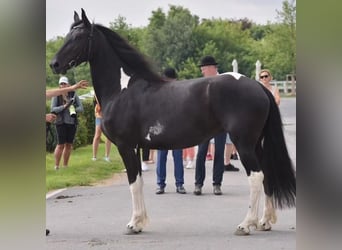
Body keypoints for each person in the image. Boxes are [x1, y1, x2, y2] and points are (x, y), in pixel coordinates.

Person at [45, 79, 88, 236]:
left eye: (65, 84)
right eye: (62, 85)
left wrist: (74, 89)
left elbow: (48, 93)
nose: (63, 87)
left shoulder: (71, 94)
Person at [194, 56, 238, 196]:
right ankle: (198, 183)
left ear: (211, 68)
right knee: (201, 153)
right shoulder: (201, 83)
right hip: (204, 124)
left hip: (219, 123)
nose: (202, 72)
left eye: (203, 69)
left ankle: (217, 184)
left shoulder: (224, 82)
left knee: (219, 152)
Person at [155, 67, 186, 194]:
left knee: (177, 157)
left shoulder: (180, 92)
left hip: (175, 128)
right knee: (163, 157)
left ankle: (178, 183)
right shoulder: (159, 93)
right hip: (164, 128)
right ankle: (162, 184)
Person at [50, 76, 84, 170]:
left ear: (68, 84)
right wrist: (64, 106)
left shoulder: (73, 94)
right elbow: (53, 109)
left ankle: (65, 165)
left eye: (64, 83)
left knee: (69, 144)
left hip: (72, 122)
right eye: (61, 84)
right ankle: (56, 166)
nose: (63, 85)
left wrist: (73, 109)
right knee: (60, 144)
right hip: (60, 122)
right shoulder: (56, 95)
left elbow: (81, 108)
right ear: (59, 85)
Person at [92, 95, 112, 162]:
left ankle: (107, 156)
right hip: (99, 116)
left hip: (107, 116)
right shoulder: (97, 95)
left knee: (108, 136)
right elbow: (96, 104)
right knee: (97, 135)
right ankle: (94, 156)